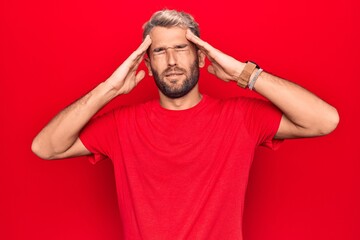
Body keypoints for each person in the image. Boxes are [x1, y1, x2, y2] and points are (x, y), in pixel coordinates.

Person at [32, 9, 339, 240]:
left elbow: (324, 121)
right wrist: (108, 90)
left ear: (201, 58)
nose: (172, 61)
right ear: (149, 66)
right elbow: (45, 147)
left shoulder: (241, 118)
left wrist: (245, 74)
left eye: (181, 48)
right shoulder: (121, 126)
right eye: (159, 52)